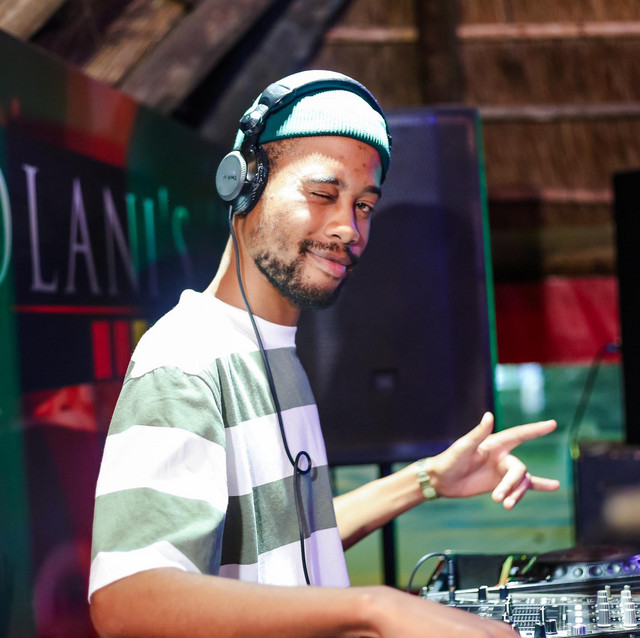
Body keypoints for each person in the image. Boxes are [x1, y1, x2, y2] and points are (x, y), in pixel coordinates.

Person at [89, 70, 559, 638]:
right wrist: (376, 607)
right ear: (246, 182)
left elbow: (294, 545)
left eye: (364, 206)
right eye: (323, 194)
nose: (349, 228)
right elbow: (127, 600)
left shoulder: (272, 350)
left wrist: (428, 479)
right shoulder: (184, 360)